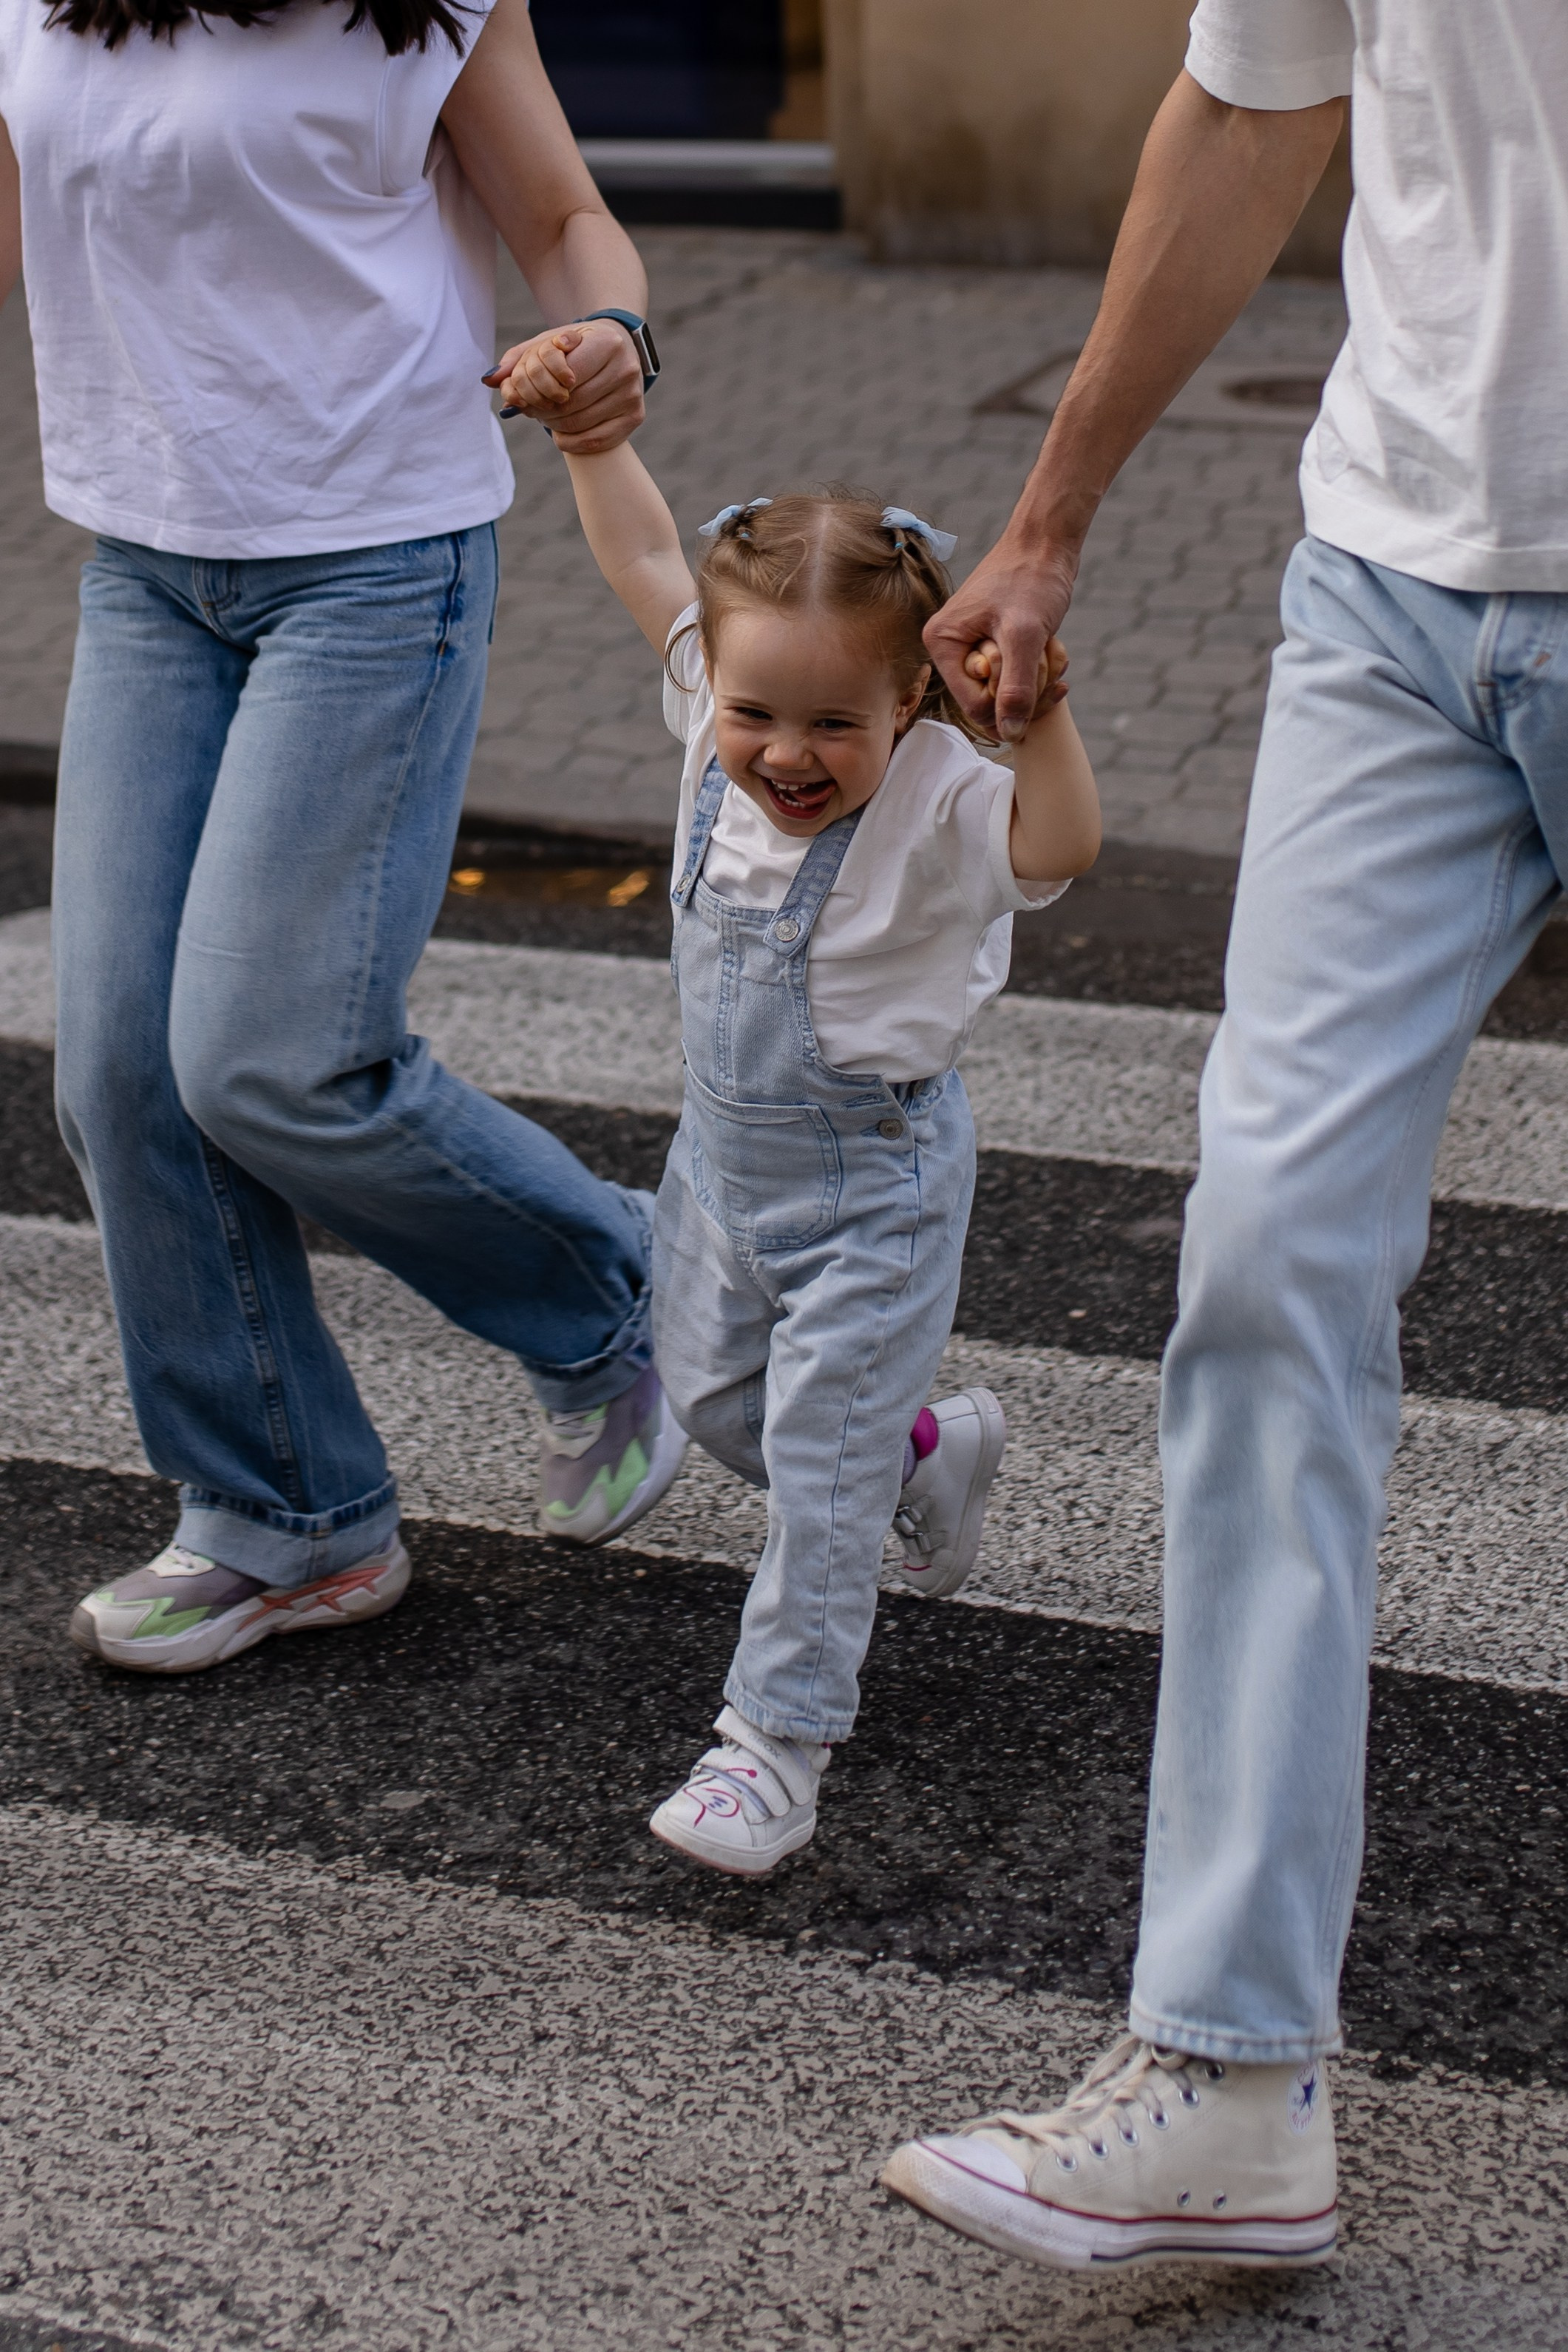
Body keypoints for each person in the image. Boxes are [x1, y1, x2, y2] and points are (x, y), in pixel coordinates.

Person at [883, 0, 1568, 2274]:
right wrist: (1050, 522)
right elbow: (1257, 95)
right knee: (1264, 1265)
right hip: (1390, 590)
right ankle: (1230, 2063)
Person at [0, 0, 690, 1677]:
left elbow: (562, 220)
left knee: (273, 1055)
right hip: (149, 563)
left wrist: (605, 329)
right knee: (119, 1073)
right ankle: (283, 1513)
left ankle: (620, 1299)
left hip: (376, 553)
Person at [532, 333, 1099, 1870]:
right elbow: (650, 551)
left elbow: (1058, 847)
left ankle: (768, 1746)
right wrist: (590, 443)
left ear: (911, 700)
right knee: (723, 1409)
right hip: (719, 1178)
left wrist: (1032, 709)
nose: (785, 752)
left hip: (872, 1194)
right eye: (752, 715)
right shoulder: (720, 709)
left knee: (820, 1487)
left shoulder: (940, 794)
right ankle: (930, 1454)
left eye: (832, 726)